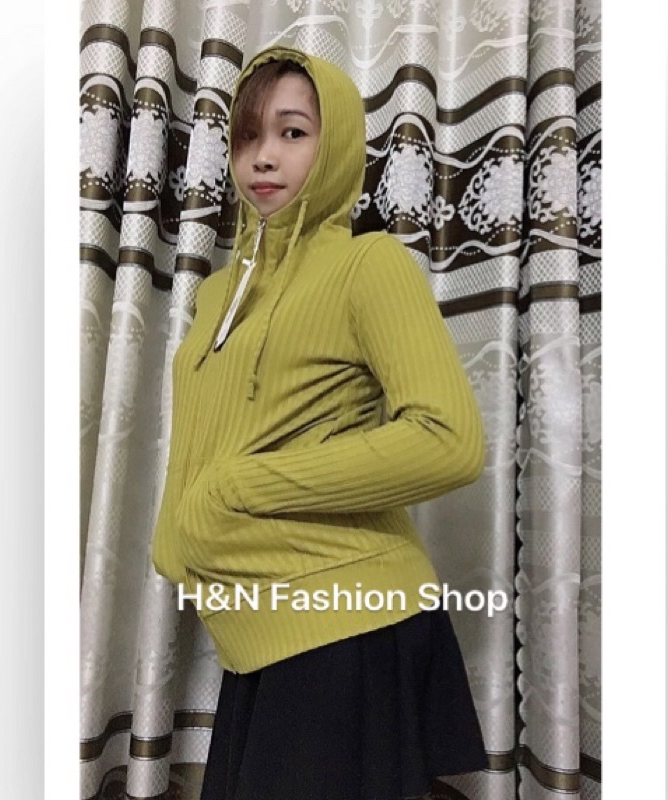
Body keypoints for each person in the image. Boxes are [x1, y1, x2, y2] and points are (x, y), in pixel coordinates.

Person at [152, 45, 489, 800]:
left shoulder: (369, 266)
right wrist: (180, 538)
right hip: (255, 626)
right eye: (247, 136)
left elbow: (449, 441)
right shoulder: (217, 296)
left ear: (333, 145)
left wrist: (235, 492)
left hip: (345, 621)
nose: (263, 156)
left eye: (293, 132)